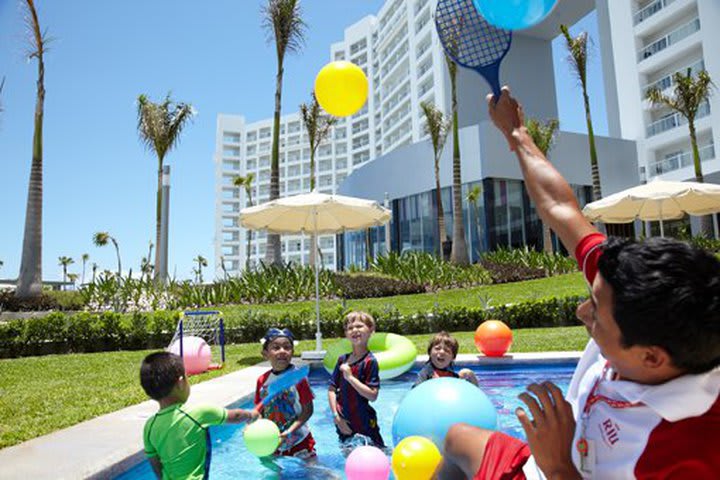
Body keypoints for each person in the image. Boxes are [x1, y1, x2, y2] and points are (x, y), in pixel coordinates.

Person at [434, 87, 720, 480]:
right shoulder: (630, 286)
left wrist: (559, 466)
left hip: (561, 471)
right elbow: (560, 207)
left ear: (652, 357)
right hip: (549, 462)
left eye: (598, 313)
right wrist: (515, 132)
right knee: (456, 438)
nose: (582, 311)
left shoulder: (690, 449)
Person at [140, 351, 258, 480]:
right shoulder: (199, 412)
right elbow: (234, 416)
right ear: (180, 383)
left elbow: (155, 463)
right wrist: (250, 414)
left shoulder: (149, 427)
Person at [254, 327, 316, 459]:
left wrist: (289, 432)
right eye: (276, 348)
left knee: (312, 471)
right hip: (273, 442)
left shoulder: (298, 378)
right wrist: (256, 429)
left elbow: (308, 410)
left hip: (300, 441)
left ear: (292, 352)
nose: (282, 351)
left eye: (287, 347)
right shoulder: (262, 381)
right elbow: (259, 411)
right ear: (265, 353)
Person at [328, 311, 385, 449]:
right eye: (350, 328)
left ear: (371, 330)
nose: (355, 330)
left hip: (364, 422)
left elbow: (372, 395)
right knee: (348, 455)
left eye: (359, 326)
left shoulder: (369, 362)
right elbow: (331, 389)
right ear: (346, 334)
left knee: (376, 453)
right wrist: (336, 417)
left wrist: (350, 378)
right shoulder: (342, 360)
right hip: (343, 420)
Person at [414, 331, 479, 387]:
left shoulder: (452, 376)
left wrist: (471, 376)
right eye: (437, 348)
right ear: (429, 352)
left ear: (453, 357)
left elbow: (475, 393)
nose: (442, 352)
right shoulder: (426, 373)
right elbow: (416, 391)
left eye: (447, 350)